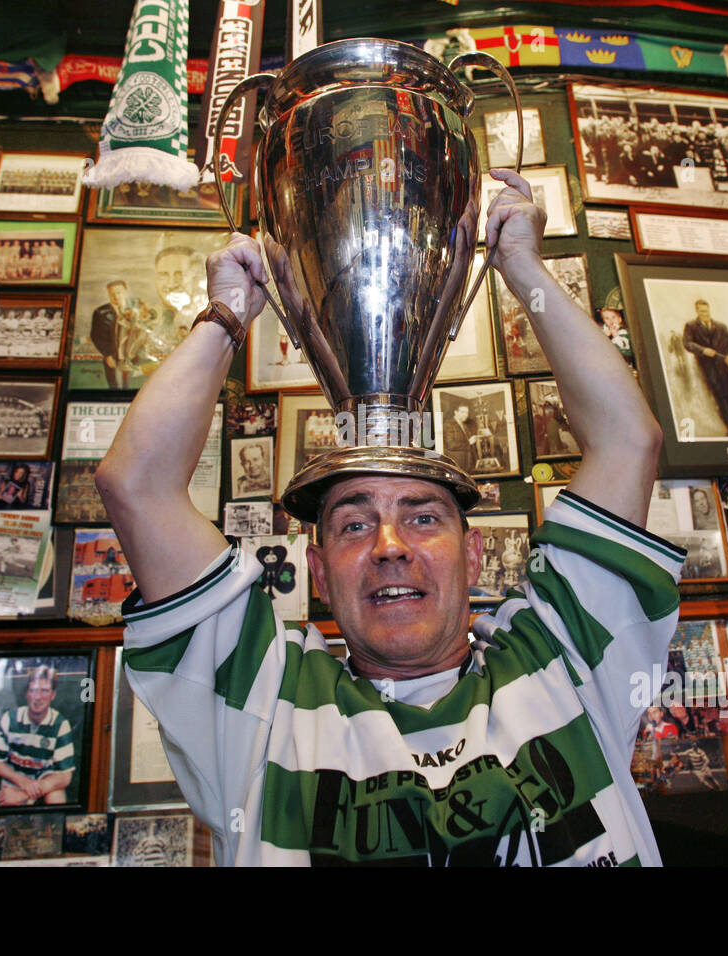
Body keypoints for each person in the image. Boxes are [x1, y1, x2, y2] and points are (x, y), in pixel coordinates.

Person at [96, 168, 680, 866]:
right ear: (316, 569)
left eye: (424, 517)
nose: (391, 545)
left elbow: (629, 439)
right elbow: (136, 484)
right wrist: (226, 317)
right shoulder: (263, 698)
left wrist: (521, 265)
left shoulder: (563, 656)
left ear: (472, 554)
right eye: (353, 524)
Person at [0, 665, 76, 806]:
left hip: (44, 784)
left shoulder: (60, 724)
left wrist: (24, 794)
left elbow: (65, 776)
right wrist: (23, 782)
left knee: (56, 797)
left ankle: (51, 828)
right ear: (27, 694)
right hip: (16, 781)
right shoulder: (11, 718)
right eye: (33, 690)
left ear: (53, 695)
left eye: (44, 691)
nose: (38, 697)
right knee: (8, 800)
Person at [683, 299, 728, 436]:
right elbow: (687, 343)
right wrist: (703, 350)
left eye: (706, 311)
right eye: (701, 311)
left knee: (727, 394)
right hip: (707, 367)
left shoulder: (721, 326)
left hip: (724, 366)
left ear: (709, 310)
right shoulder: (691, 326)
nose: (704, 313)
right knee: (718, 394)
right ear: (697, 311)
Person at [91, 281, 129, 389]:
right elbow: (96, 336)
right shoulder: (100, 312)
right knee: (115, 387)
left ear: (125, 292)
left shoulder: (136, 310)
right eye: (112, 294)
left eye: (119, 293)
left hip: (133, 359)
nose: (116, 296)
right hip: (112, 358)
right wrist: (107, 355)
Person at [443, 402, 478, 474]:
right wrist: (469, 442)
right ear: (456, 412)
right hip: (457, 463)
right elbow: (451, 445)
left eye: (467, 412)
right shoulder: (448, 425)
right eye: (463, 412)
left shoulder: (464, 425)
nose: (466, 415)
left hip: (467, 463)